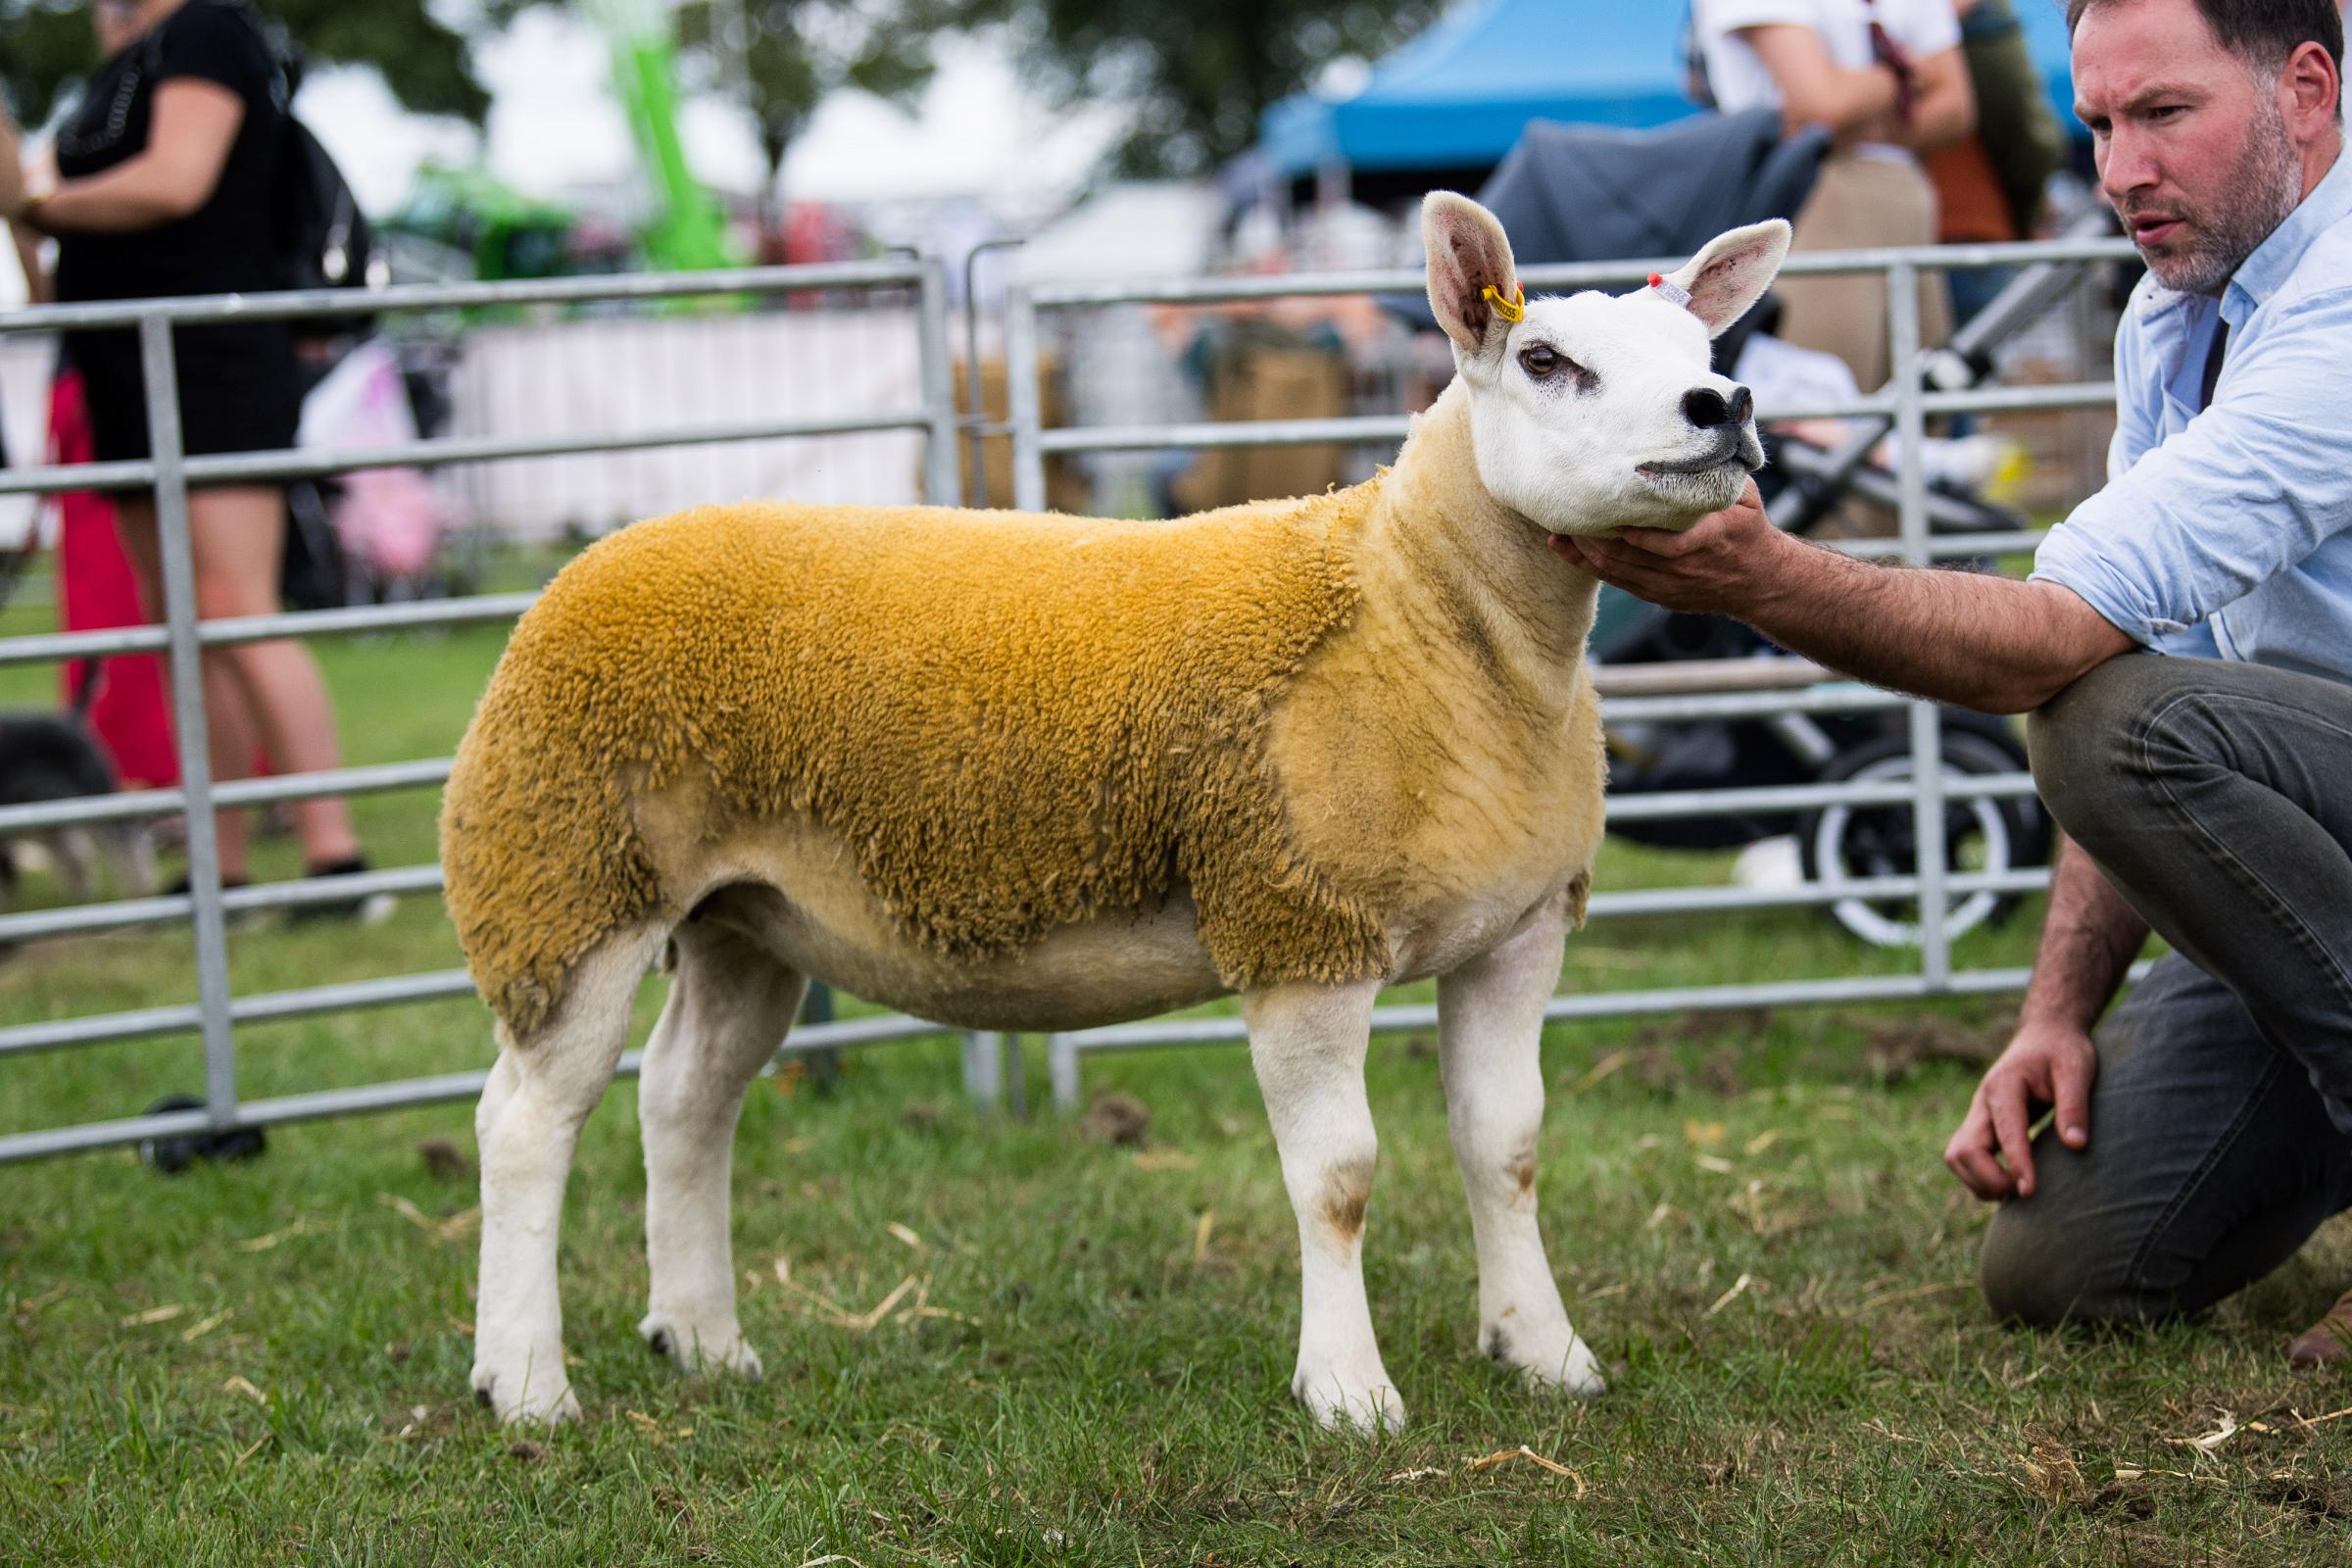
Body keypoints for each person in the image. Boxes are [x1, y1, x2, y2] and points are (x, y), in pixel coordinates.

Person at [1561, 0, 2352, 1367]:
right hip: (2322, 856)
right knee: (2067, 1266)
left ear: (2307, 87)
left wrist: (1765, 578)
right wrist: (2056, 1013)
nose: (2118, 173)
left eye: (2164, 114)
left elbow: (2073, 654)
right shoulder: (2179, 315)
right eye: (2098, 126)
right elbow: (2138, 642)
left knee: (2111, 729)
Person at [1, 0, 385, 918]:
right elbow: (54, 272)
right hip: (123, 371)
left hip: (211, 365)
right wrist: (21, 207)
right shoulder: (119, 65)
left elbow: (177, 180)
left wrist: (37, 200)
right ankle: (225, 868)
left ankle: (338, 862)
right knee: (178, 620)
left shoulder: (212, 31)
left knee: (232, 606)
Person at [1690, 0, 1978, 389]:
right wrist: (1905, 76)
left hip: (1905, 201)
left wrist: (1847, 109)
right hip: (1808, 200)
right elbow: (1821, 108)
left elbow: (1956, 110)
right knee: (1823, 414)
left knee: (1923, 414)